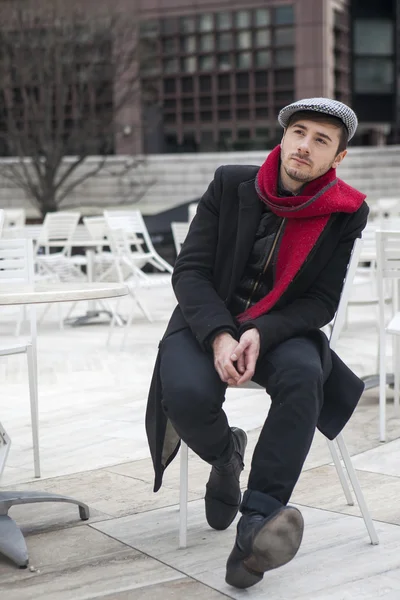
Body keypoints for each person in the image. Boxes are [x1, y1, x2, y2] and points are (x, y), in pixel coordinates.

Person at [145, 98, 368, 589]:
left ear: (339, 157)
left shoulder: (346, 212)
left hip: (280, 328)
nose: (305, 146)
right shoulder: (231, 183)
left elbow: (321, 301)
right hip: (206, 320)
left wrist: (260, 333)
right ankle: (227, 456)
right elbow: (191, 271)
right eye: (299, 133)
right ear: (284, 136)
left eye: (322, 140)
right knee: (183, 394)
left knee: (305, 375)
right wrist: (222, 334)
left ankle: (257, 528)